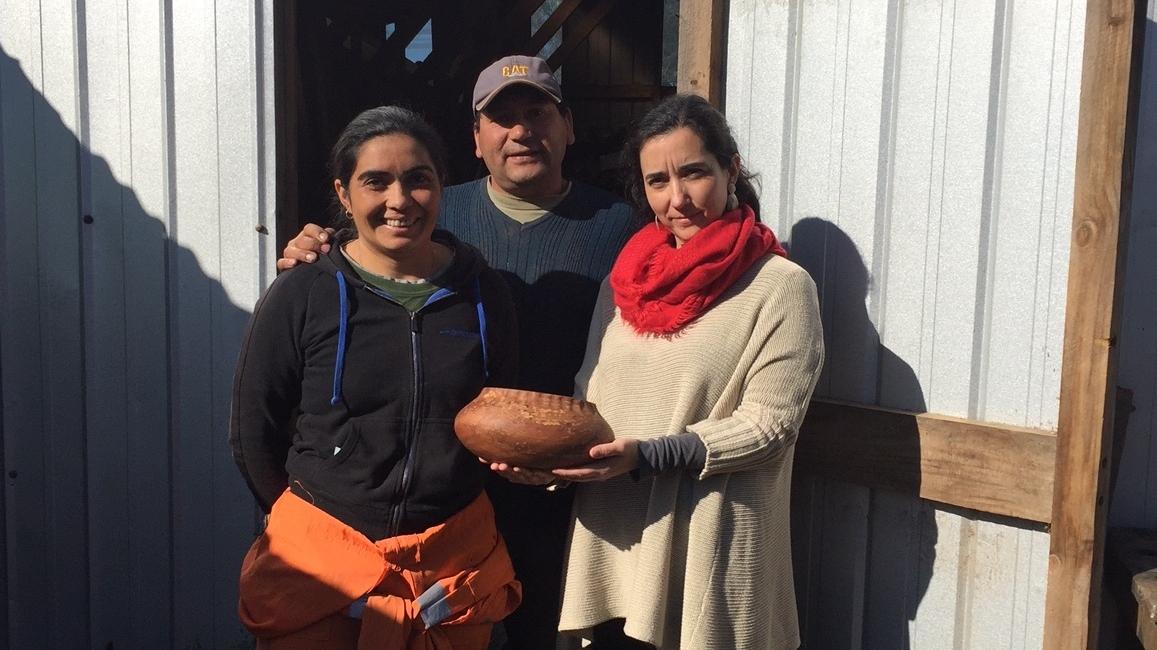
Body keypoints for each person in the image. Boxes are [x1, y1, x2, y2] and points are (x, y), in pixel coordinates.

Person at [276, 56, 640, 649]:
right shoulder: (437, 211)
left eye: (537, 113)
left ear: (568, 125)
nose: (521, 130)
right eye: (501, 118)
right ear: (476, 138)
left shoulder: (618, 224)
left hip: (569, 486)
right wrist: (311, 248)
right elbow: (362, 262)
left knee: (552, 630)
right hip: (451, 493)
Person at [535, 93, 824, 649]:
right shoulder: (624, 283)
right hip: (614, 545)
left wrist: (648, 456)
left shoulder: (781, 287)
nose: (677, 199)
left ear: (730, 169)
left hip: (707, 550)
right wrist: (550, 463)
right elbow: (587, 398)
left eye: (693, 173)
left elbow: (770, 426)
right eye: (657, 182)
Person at [230, 105, 523, 648]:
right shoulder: (303, 293)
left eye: (418, 180)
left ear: (441, 187)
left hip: (449, 572)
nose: (399, 200)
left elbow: (502, 418)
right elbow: (253, 433)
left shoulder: (484, 295)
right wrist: (316, 523)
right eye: (375, 182)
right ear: (344, 194)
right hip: (319, 574)